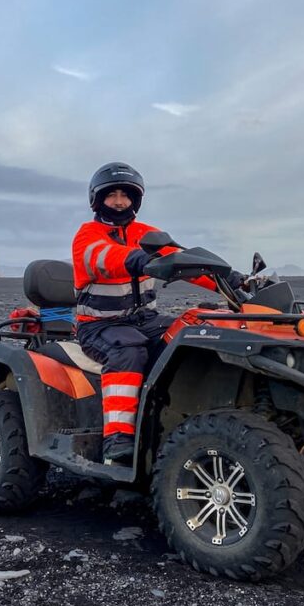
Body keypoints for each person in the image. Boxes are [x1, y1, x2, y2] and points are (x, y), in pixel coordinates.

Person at [71, 162, 244, 463]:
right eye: (112, 195)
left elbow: (182, 261)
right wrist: (136, 259)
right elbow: (101, 257)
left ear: (135, 200)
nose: (119, 201)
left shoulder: (146, 233)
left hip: (144, 320)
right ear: (98, 199)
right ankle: (118, 438)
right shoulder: (87, 235)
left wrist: (229, 280)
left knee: (195, 331)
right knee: (128, 352)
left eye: (126, 195)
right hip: (99, 326)